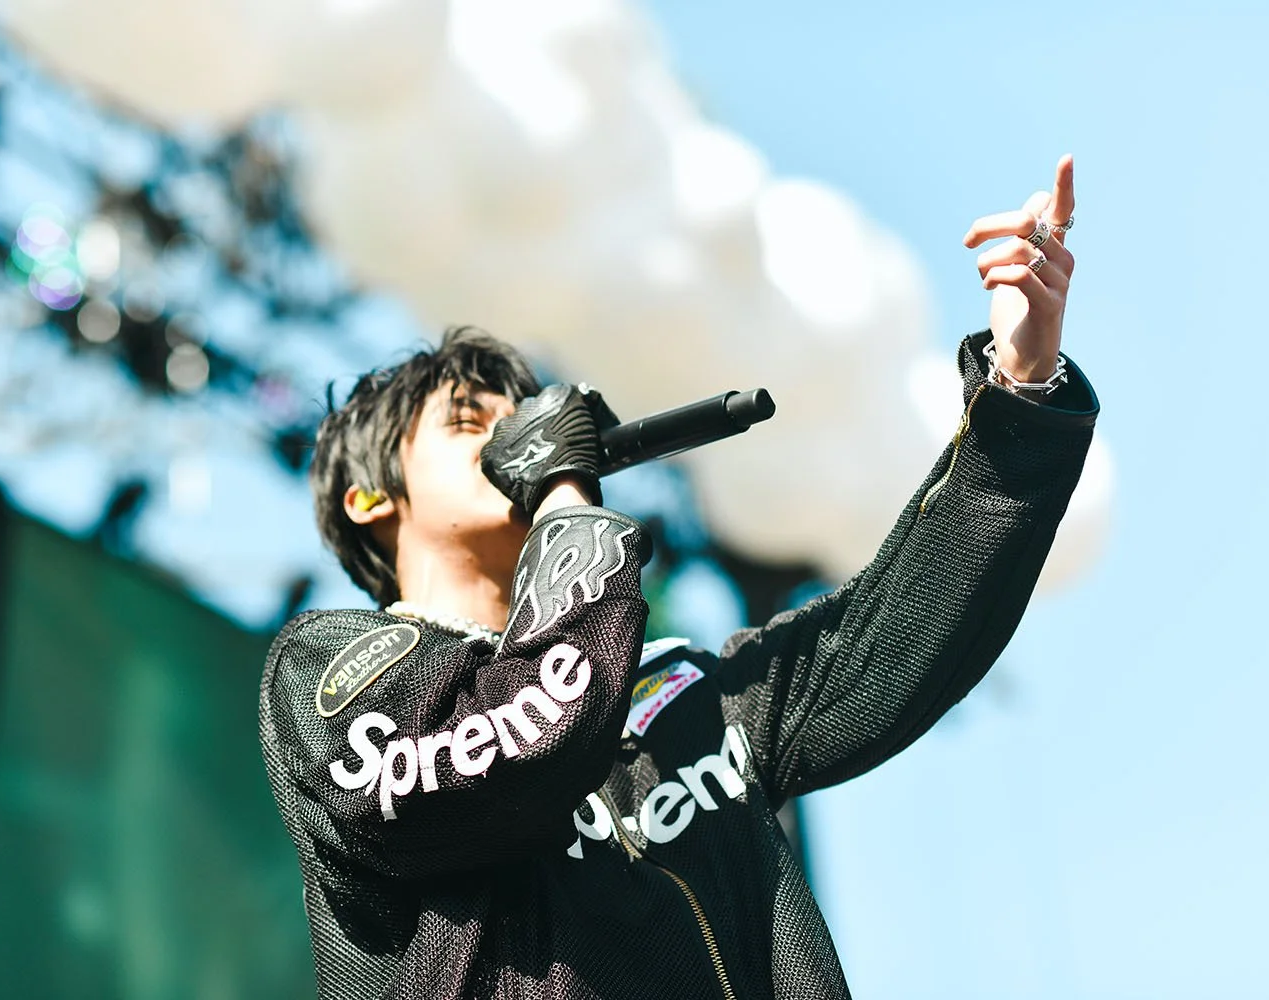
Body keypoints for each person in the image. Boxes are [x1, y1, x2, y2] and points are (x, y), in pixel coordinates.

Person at [259, 156, 1098, 999]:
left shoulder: (686, 696)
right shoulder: (332, 673)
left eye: (525, 424)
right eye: (470, 423)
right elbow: (526, 743)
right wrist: (564, 499)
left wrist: (1019, 387)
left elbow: (900, 633)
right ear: (369, 498)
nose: (516, 442)